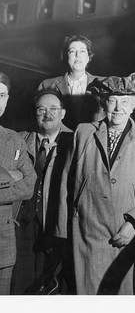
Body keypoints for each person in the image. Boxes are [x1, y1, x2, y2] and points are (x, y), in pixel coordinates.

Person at [57, 73, 135, 294]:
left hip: (126, 234)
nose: (118, 108)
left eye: (125, 101)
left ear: (134, 105)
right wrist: (63, 231)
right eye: (113, 100)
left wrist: (134, 224)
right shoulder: (83, 132)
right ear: (104, 102)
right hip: (87, 232)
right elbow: (66, 183)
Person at [12, 89, 73, 295]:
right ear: (35, 113)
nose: (48, 114)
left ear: (63, 113)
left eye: (54, 109)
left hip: (55, 222)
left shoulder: (74, 142)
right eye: (41, 109)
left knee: (51, 280)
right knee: (21, 277)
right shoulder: (19, 140)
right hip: (22, 222)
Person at [0, 72, 36, 295]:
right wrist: (9, 176)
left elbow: (30, 185)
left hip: (3, 246)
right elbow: (19, 182)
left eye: (1, 95)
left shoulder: (13, 139)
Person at [38, 35, 103, 130]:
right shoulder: (47, 85)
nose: (77, 55)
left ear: (88, 57)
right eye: (72, 51)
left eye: (82, 51)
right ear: (66, 56)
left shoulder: (102, 84)